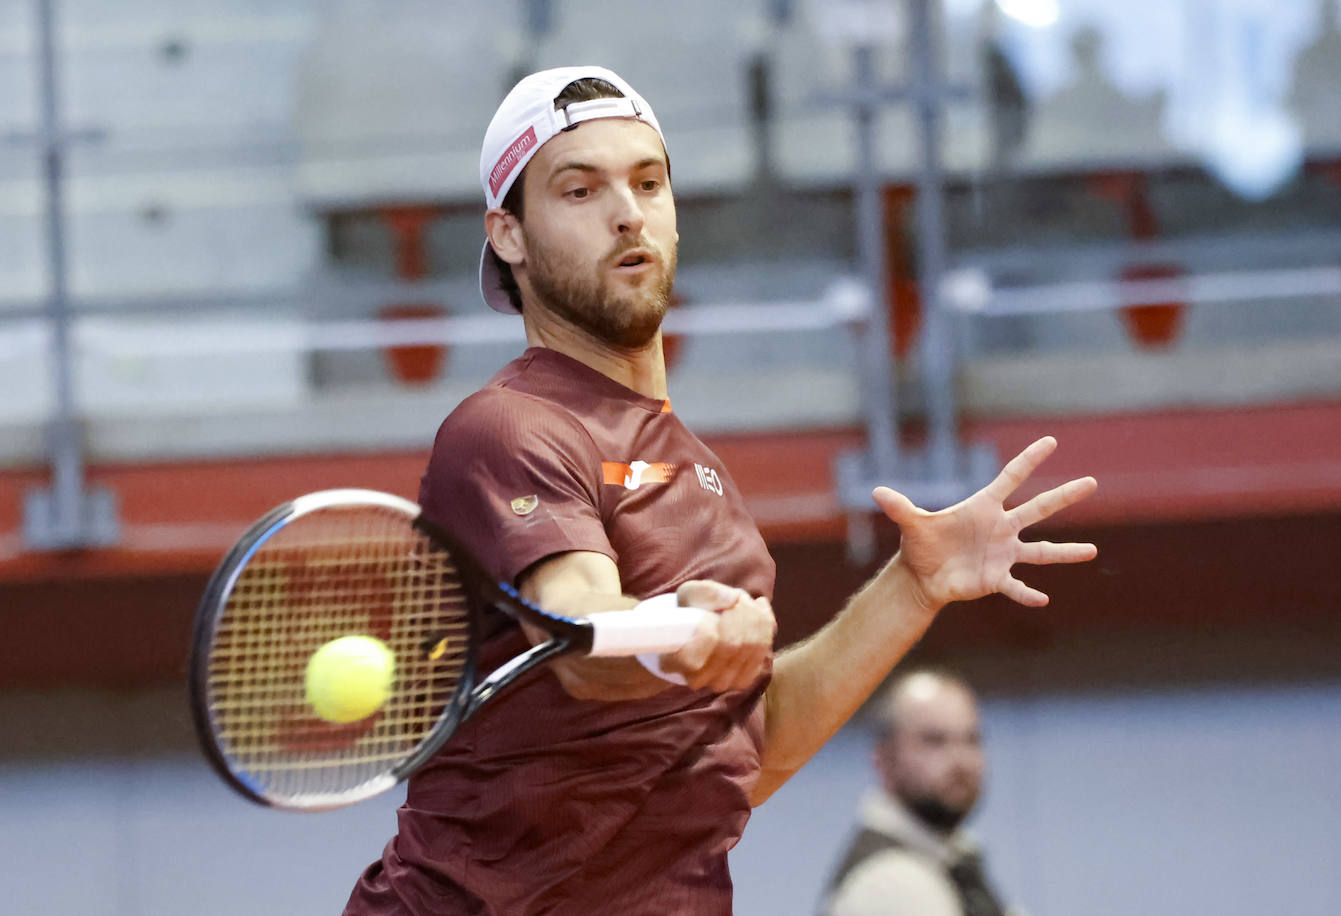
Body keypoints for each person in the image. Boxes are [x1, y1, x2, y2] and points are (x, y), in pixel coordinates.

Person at [343, 65, 1097, 915]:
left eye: (648, 181)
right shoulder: (508, 429)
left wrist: (912, 587)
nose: (627, 211)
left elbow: (743, 756)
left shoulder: (701, 475)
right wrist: (682, 636)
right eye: (580, 189)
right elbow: (585, 633)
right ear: (509, 234)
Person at [821, 670, 1010, 916]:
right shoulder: (889, 883)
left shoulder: (958, 860)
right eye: (935, 741)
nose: (961, 761)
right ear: (883, 760)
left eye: (972, 740)